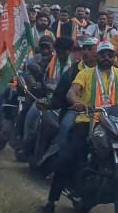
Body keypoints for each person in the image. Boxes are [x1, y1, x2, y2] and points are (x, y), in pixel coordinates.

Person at [38, 41, 118, 213]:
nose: (106, 58)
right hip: (88, 121)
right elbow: (71, 92)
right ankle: (51, 202)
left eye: (110, 55)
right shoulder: (85, 73)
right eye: (103, 54)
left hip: (114, 122)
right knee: (67, 156)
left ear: (115, 57)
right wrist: (76, 102)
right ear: (97, 56)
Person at [38, 37, 98, 172]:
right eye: (85, 49)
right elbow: (61, 96)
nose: (87, 52)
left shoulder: (113, 71)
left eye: (91, 48)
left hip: (104, 113)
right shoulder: (72, 72)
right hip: (77, 112)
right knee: (65, 127)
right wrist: (48, 104)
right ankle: (63, 165)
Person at [20, 35, 74, 162]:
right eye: (60, 50)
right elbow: (30, 70)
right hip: (46, 98)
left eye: (66, 50)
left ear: (70, 51)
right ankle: (25, 146)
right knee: (31, 116)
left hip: (65, 103)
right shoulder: (46, 61)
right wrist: (35, 82)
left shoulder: (75, 67)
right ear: (56, 50)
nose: (63, 53)